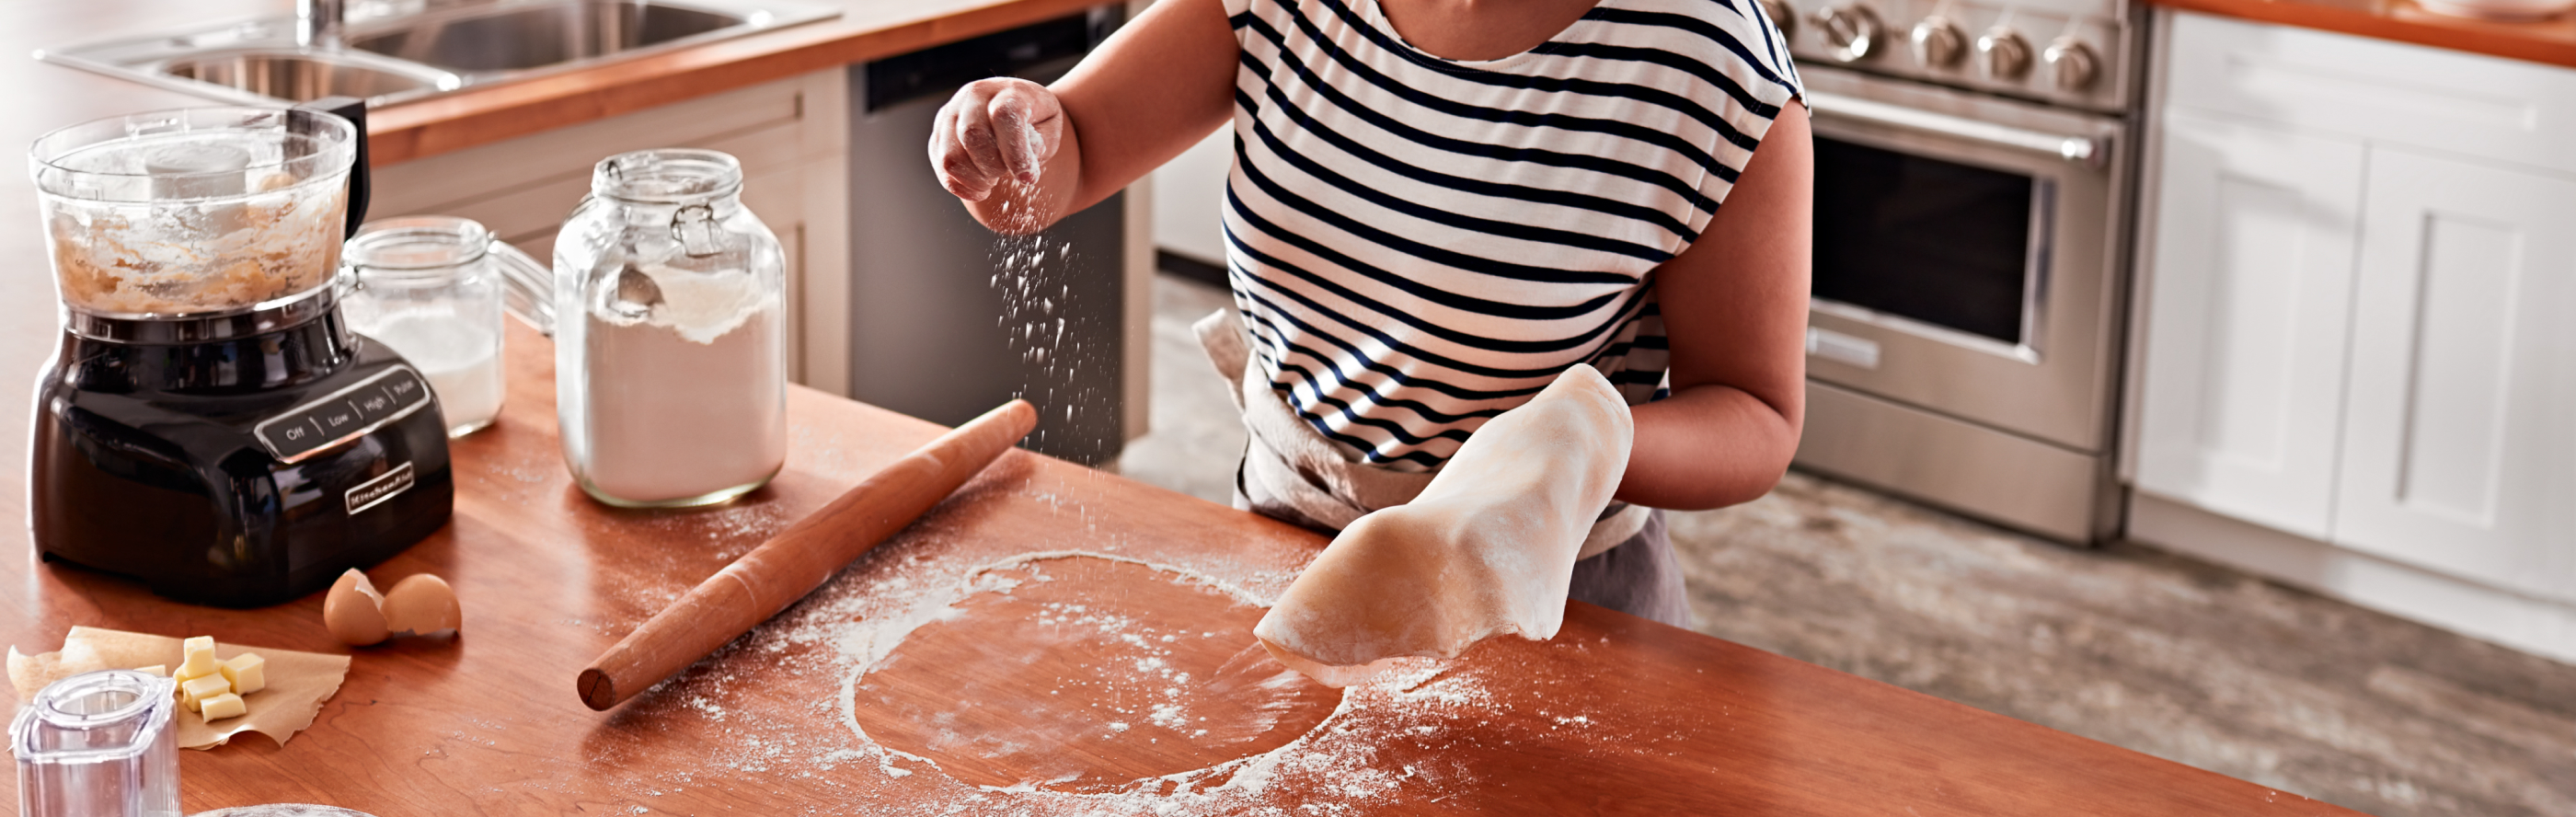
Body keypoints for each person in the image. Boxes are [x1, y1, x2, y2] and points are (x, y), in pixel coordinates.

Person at [928, 0, 1811, 628]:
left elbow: (1754, 413)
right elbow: (1064, 160)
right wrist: (1009, 144)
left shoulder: (1709, 62)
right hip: (1281, 540)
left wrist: (1588, 440)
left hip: (1549, 593)